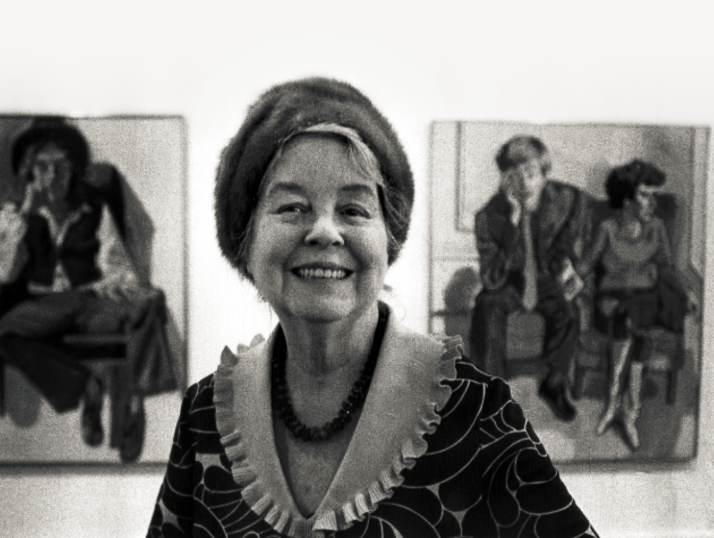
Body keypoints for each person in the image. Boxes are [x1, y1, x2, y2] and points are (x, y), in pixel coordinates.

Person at [147, 78, 598, 537]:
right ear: (245, 240)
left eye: (354, 209)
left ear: (389, 237)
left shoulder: (474, 410)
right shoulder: (205, 416)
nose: (324, 231)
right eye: (291, 207)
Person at [0, 118, 176, 462]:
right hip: (43, 303)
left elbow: (117, 263)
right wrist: (23, 214)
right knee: (0, 333)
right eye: (42, 167)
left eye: (60, 166)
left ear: (74, 169)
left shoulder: (93, 207)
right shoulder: (18, 213)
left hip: (90, 299)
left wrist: (121, 288)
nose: (52, 176)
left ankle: (133, 404)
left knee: (149, 302)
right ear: (29, 171)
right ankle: (85, 385)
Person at [469, 136, 591, 422]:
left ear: (545, 175)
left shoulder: (567, 202)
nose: (523, 184)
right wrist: (512, 223)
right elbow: (491, 278)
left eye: (531, 175)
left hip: (547, 279)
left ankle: (553, 383)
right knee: (485, 307)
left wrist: (568, 267)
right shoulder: (488, 217)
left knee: (568, 314)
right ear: (503, 178)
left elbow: (568, 245)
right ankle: (492, 394)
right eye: (513, 176)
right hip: (509, 283)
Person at [576, 159, 691, 451]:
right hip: (612, 302)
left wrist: (684, 293)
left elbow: (666, 269)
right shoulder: (607, 229)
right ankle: (629, 412)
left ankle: (615, 405)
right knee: (628, 320)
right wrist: (570, 281)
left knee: (631, 317)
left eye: (653, 194)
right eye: (644, 195)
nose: (651, 202)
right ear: (626, 200)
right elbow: (586, 266)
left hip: (646, 300)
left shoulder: (657, 228)